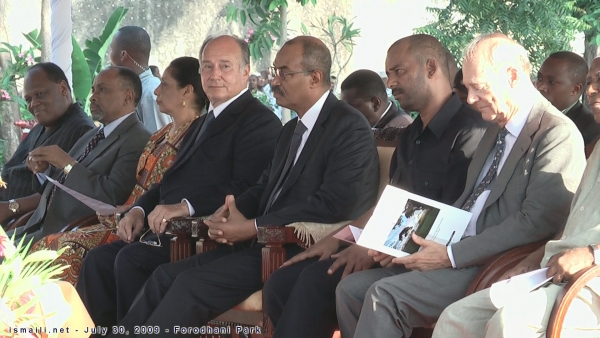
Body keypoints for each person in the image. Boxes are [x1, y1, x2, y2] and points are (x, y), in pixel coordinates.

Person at [110, 35, 379, 337]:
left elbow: (337, 202)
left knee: (190, 285)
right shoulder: (292, 128)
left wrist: (254, 225)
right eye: (275, 71)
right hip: (258, 242)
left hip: (292, 246)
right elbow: (263, 188)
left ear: (315, 77)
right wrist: (227, 215)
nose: (274, 81)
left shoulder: (348, 125)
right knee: (164, 276)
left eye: (284, 73)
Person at [335, 33, 587, 338]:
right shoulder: (497, 127)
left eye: (478, 88)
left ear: (512, 76)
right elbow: (466, 201)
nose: (469, 99)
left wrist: (451, 255)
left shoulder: (556, 133)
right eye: (467, 88)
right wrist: (406, 243)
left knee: (382, 296)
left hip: (492, 261)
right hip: (452, 248)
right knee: (351, 289)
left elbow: (537, 223)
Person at [263, 34, 489, 338]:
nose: (390, 82)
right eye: (388, 73)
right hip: (388, 243)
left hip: (431, 254)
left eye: (398, 72)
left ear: (431, 68)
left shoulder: (471, 130)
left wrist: (369, 248)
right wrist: (339, 237)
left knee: (316, 281)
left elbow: (452, 213)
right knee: (282, 281)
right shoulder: (411, 134)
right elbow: (392, 201)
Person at [77, 35, 282, 331]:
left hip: (209, 234)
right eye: (207, 67)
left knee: (131, 260)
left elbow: (246, 187)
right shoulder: (201, 123)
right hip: (168, 228)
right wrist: (137, 210)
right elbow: (166, 182)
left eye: (225, 66)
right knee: (98, 261)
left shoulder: (259, 122)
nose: (215, 75)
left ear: (245, 71)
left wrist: (184, 207)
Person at [433, 55, 600, 338]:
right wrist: (534, 258)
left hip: (591, 281)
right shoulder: (597, 147)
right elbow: (576, 221)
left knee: (511, 324)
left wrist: (590, 255)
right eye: (592, 80)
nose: (592, 89)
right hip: (558, 270)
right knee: (456, 318)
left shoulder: (560, 132)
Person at [31, 56, 208, 286]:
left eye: (164, 84)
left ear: (186, 92)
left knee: (66, 250)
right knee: (46, 246)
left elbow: (170, 191)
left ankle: (74, 322)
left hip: (149, 225)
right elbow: (140, 187)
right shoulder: (160, 135)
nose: (155, 91)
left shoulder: (196, 136)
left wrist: (133, 212)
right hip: (127, 216)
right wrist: (126, 209)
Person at [8, 66, 151, 244]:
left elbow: (112, 197)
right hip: (39, 224)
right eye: (93, 90)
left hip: (70, 235)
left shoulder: (138, 138)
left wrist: (66, 163)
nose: (93, 97)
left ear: (128, 97)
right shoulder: (93, 135)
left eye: (102, 90)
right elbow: (62, 181)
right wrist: (43, 171)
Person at [0, 63, 94, 208]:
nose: (33, 104)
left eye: (40, 94)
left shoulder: (81, 130)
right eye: (28, 99)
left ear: (63, 89)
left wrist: (11, 208)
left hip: (20, 221)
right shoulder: (43, 126)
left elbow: (59, 193)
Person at [109, 26, 171, 132]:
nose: (109, 57)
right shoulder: (134, 87)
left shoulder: (150, 93)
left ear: (123, 55)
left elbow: (158, 142)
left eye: (112, 50)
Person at [536, 51, 600, 146]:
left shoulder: (591, 129)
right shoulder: (532, 117)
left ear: (575, 89)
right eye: (540, 79)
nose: (540, 86)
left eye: (551, 82)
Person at [340, 69, 413, 129]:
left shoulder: (405, 129)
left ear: (375, 104)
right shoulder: (360, 127)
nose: (346, 115)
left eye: (351, 108)